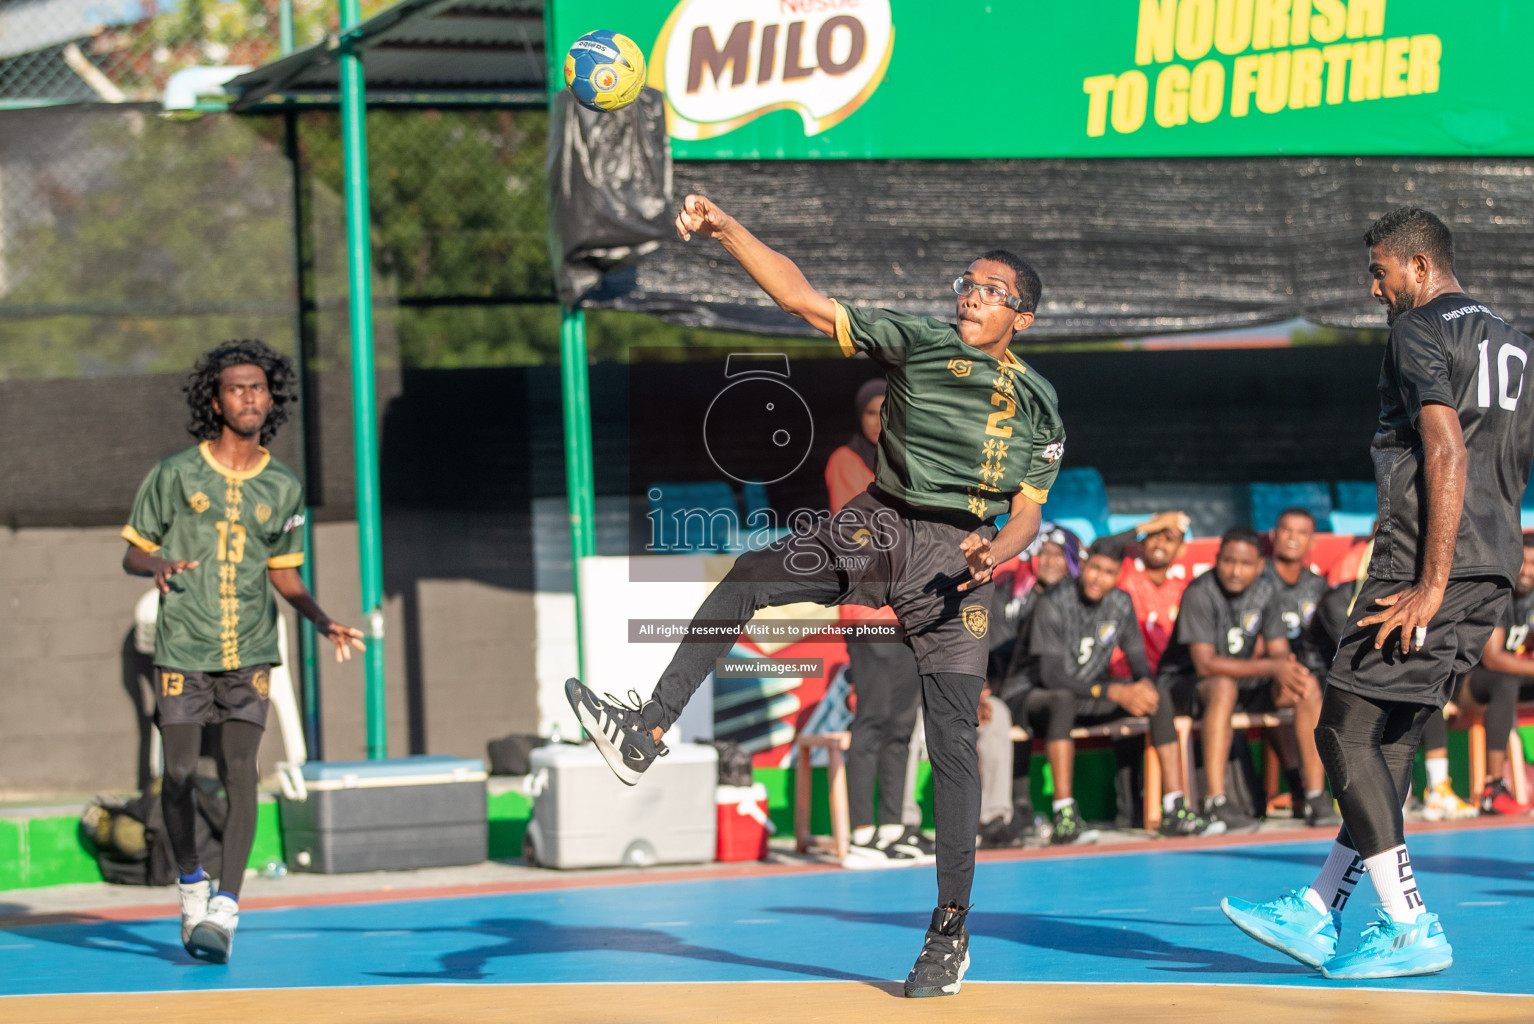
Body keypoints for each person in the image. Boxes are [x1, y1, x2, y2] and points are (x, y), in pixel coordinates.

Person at [566, 194, 1066, 998]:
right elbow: (801, 297)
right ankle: (647, 728)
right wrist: (727, 229)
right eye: (966, 283)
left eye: (991, 290)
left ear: (1025, 317)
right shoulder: (923, 340)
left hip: (959, 560)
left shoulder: (1041, 402)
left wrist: (996, 551)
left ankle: (949, 930)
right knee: (749, 578)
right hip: (880, 521)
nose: (970, 296)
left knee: (953, 750)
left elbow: (1030, 512)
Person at [1223, 207, 1534, 979]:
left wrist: (1428, 581)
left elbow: (1445, 446)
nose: (1374, 288)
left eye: (1380, 272)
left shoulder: (1420, 327)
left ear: (1419, 266)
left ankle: (1407, 923)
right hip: (1493, 560)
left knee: (1342, 729)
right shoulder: (1517, 341)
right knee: (1388, 735)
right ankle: (1320, 906)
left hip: (1426, 564)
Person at [121, 340, 364, 964]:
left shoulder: (283, 486)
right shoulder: (175, 473)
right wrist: (158, 563)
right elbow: (131, 552)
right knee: (178, 773)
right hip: (183, 647)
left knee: (239, 772)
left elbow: (285, 574)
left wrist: (321, 619)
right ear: (216, 400)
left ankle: (226, 909)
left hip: (251, 649)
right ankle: (191, 882)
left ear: (270, 399)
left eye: (259, 388)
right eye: (237, 388)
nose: (250, 397)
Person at [1027, 537, 1220, 841]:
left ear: (1118, 574)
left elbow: (1139, 662)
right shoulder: (1053, 601)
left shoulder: (1120, 601)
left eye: (1109, 573)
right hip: (1038, 700)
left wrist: (1143, 686)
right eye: (1095, 569)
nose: (1098, 579)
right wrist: (1110, 692)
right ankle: (1064, 817)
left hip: (1090, 698)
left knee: (1157, 697)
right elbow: (1050, 676)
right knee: (1062, 699)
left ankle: (1174, 808)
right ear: (1084, 564)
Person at [827, 378, 934, 865]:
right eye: (871, 412)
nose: (879, 420)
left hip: (908, 613)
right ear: (860, 417)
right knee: (872, 718)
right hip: (868, 611)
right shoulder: (844, 462)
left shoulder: (907, 460)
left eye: (887, 411)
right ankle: (862, 835)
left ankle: (892, 828)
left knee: (901, 723)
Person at [1158, 526, 1325, 833]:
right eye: (1228, 561)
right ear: (1216, 559)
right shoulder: (1199, 592)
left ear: (1260, 565)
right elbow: (1205, 665)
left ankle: (1314, 795)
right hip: (1185, 684)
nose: (1236, 571)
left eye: (1245, 563)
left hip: (1239, 681)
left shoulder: (1265, 590)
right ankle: (1215, 802)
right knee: (1222, 685)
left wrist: (1283, 670)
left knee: (1306, 686)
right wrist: (1272, 668)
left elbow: (1278, 652)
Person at [975, 525, 1081, 848]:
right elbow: (986, 648)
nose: (1049, 562)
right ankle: (1017, 806)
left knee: (1056, 701)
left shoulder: (1079, 598)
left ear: (1073, 562)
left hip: (1058, 688)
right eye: (1044, 553)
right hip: (1007, 685)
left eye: (1059, 555)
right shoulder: (1009, 592)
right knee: (1008, 711)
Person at [1262, 507, 1342, 827]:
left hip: (1313, 671)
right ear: (1273, 536)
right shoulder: (1258, 580)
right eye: (1286, 530)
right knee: (1302, 687)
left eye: (1302, 532)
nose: (1293, 538)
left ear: (1312, 542)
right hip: (1267, 675)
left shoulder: (1319, 586)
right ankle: (1313, 795)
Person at [1457, 532, 1534, 815]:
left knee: (1509, 680)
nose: (1527, 571)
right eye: (1522, 563)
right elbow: (1492, 657)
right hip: (1464, 682)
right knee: (1506, 679)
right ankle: (1493, 788)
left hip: (1504, 682)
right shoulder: (1498, 594)